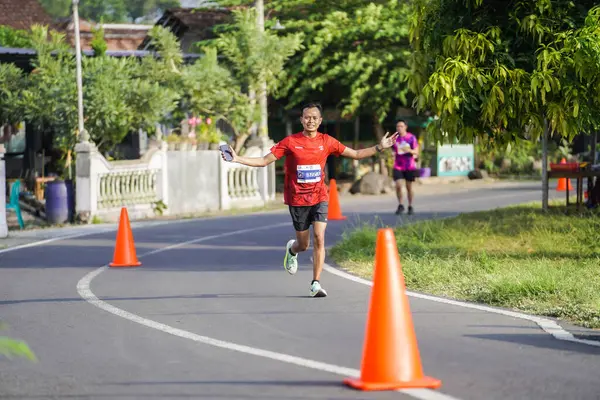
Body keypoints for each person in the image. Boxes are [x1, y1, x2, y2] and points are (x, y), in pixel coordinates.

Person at [220, 102, 399, 297]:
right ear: (301, 120)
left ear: (320, 121)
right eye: (307, 117)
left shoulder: (327, 141)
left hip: (319, 196)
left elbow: (355, 154)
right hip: (297, 199)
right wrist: (237, 159)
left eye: (314, 117)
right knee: (303, 244)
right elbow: (264, 161)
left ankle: (315, 283)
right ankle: (292, 249)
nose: (310, 120)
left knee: (320, 238)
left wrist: (380, 147)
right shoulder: (290, 142)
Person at [391, 119, 419, 215]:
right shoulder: (395, 139)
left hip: (409, 165)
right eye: (397, 126)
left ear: (405, 127)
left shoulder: (411, 138)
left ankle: (410, 205)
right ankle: (400, 204)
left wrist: (409, 150)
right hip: (398, 165)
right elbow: (393, 150)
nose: (399, 128)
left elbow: (416, 152)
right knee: (398, 185)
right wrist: (392, 154)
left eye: (401, 126)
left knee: (409, 187)